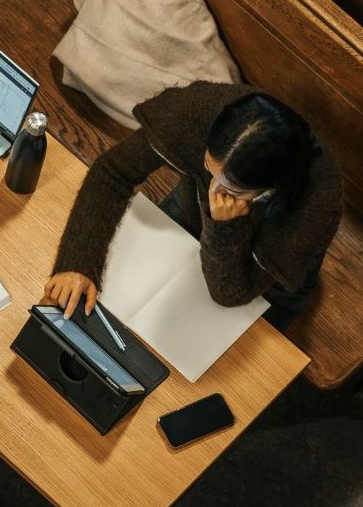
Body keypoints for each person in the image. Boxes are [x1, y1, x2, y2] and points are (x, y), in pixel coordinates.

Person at [45, 81, 342, 326]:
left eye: (229, 188)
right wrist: (78, 263)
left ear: (270, 188)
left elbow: (230, 293)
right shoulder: (196, 109)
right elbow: (114, 171)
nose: (214, 189)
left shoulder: (316, 205)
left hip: (270, 270)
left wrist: (224, 227)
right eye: (209, 171)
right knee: (121, 312)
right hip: (190, 216)